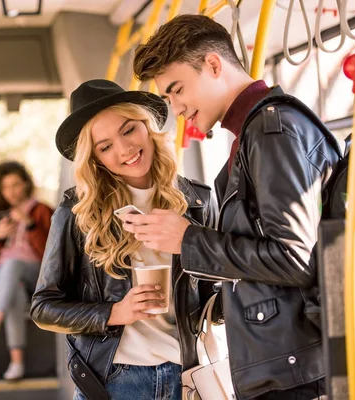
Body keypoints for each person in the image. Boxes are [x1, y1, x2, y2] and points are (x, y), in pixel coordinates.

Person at [128, 14, 342, 400]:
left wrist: (189, 240)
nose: (176, 109)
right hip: (285, 364)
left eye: (177, 90)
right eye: (168, 98)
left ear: (213, 65)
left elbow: (294, 258)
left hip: (298, 375)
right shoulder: (252, 135)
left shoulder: (272, 131)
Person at [30, 79, 218, 400]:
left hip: (188, 374)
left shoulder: (197, 201)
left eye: (129, 130)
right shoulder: (78, 210)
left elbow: (216, 296)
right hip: (117, 380)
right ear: (96, 159)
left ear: (147, 127)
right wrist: (115, 313)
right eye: (105, 146)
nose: (124, 149)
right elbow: (43, 308)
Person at [0, 161, 53, 381]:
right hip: (2, 277)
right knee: (14, 291)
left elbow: (48, 252)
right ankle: (16, 363)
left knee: (13, 265)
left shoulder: (41, 209)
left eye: (16, 185)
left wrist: (29, 224)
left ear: (26, 185)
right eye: (6, 187)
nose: (11, 191)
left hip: (33, 270)